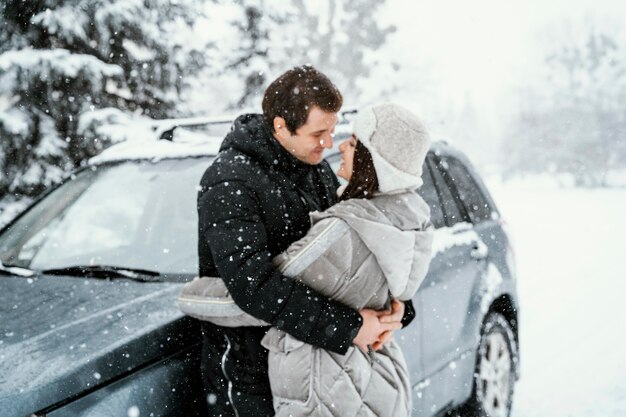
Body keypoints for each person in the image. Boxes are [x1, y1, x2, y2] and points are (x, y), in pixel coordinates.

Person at [195, 66, 412, 417]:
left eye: (332, 130)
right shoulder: (229, 182)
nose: (328, 143)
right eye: (318, 133)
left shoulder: (315, 170)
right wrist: (350, 327)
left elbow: (350, 257)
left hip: (310, 365)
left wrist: (394, 307)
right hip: (252, 370)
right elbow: (254, 285)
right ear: (281, 126)